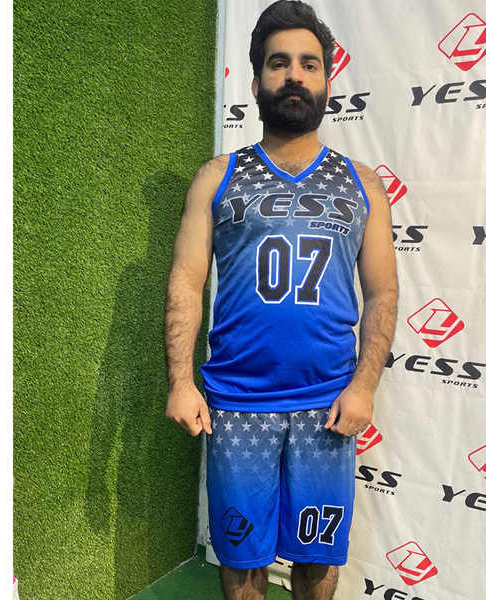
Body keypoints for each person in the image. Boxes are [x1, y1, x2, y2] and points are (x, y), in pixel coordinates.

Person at [164, 1, 398, 598]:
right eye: (279, 63)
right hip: (237, 402)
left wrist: (364, 385)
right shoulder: (219, 175)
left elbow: (382, 292)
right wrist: (181, 383)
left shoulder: (362, 183)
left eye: (309, 64)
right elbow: (187, 282)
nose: (294, 75)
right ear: (256, 84)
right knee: (242, 563)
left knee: (317, 562)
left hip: (327, 404)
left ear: (327, 83)